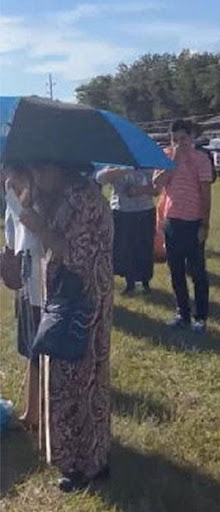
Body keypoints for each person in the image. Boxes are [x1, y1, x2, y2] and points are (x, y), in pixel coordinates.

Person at [18, 160, 113, 492]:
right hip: (68, 298)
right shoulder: (65, 196)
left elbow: (75, 255)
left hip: (82, 304)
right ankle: (83, 458)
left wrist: (38, 226)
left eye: (42, 170)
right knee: (71, 377)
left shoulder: (85, 201)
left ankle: (84, 465)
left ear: (62, 168)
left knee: (80, 381)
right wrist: (35, 206)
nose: (38, 177)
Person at [153, 119, 213, 333]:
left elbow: (206, 194)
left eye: (183, 139)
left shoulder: (201, 159)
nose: (179, 143)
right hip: (172, 221)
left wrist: (204, 225)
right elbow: (157, 185)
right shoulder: (166, 156)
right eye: (174, 139)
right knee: (175, 270)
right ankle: (182, 314)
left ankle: (201, 317)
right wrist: (174, 161)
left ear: (192, 138)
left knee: (197, 272)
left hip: (193, 221)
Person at [2, 164, 44, 430]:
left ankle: (35, 411)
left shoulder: (40, 204)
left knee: (37, 350)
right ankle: (33, 410)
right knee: (30, 348)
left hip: (41, 288)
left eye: (13, 177)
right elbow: (14, 238)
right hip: (28, 287)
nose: (9, 182)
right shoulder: (17, 203)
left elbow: (34, 232)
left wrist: (13, 200)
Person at [96, 166, 156, 295]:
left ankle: (145, 282)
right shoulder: (116, 163)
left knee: (144, 246)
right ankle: (130, 283)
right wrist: (124, 170)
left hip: (145, 211)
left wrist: (139, 190)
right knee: (126, 247)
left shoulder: (147, 164)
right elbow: (100, 179)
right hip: (122, 211)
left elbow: (157, 188)